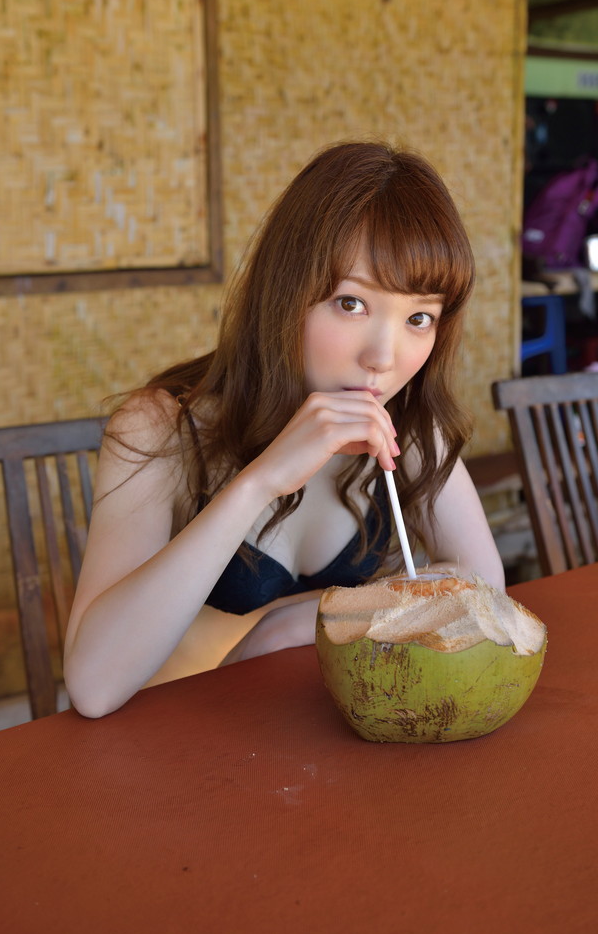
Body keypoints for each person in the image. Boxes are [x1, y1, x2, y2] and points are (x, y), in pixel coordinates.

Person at [64, 141, 505, 718]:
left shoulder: (409, 427)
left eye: (418, 317)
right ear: (286, 288)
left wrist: (294, 622)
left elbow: (484, 592)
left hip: (305, 745)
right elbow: (93, 686)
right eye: (351, 304)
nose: (383, 356)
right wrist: (259, 482)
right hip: (166, 749)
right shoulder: (161, 428)